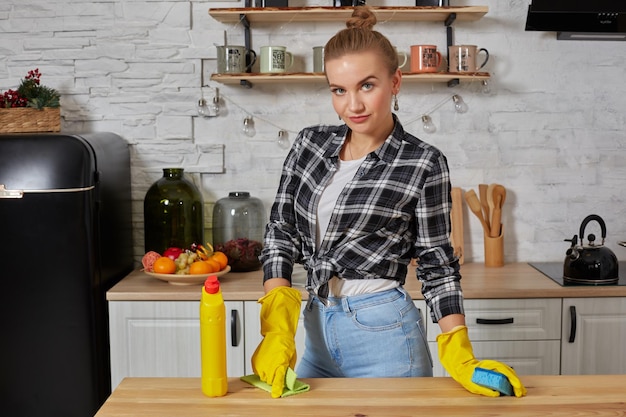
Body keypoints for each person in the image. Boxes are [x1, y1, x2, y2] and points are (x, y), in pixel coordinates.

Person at [251, 6, 527, 399]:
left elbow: (436, 261)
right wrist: (276, 322)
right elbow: (281, 231)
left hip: (384, 338)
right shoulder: (308, 145)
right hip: (314, 332)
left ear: (395, 81)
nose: (353, 106)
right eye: (339, 90)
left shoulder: (423, 162)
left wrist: (460, 352)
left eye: (367, 85)